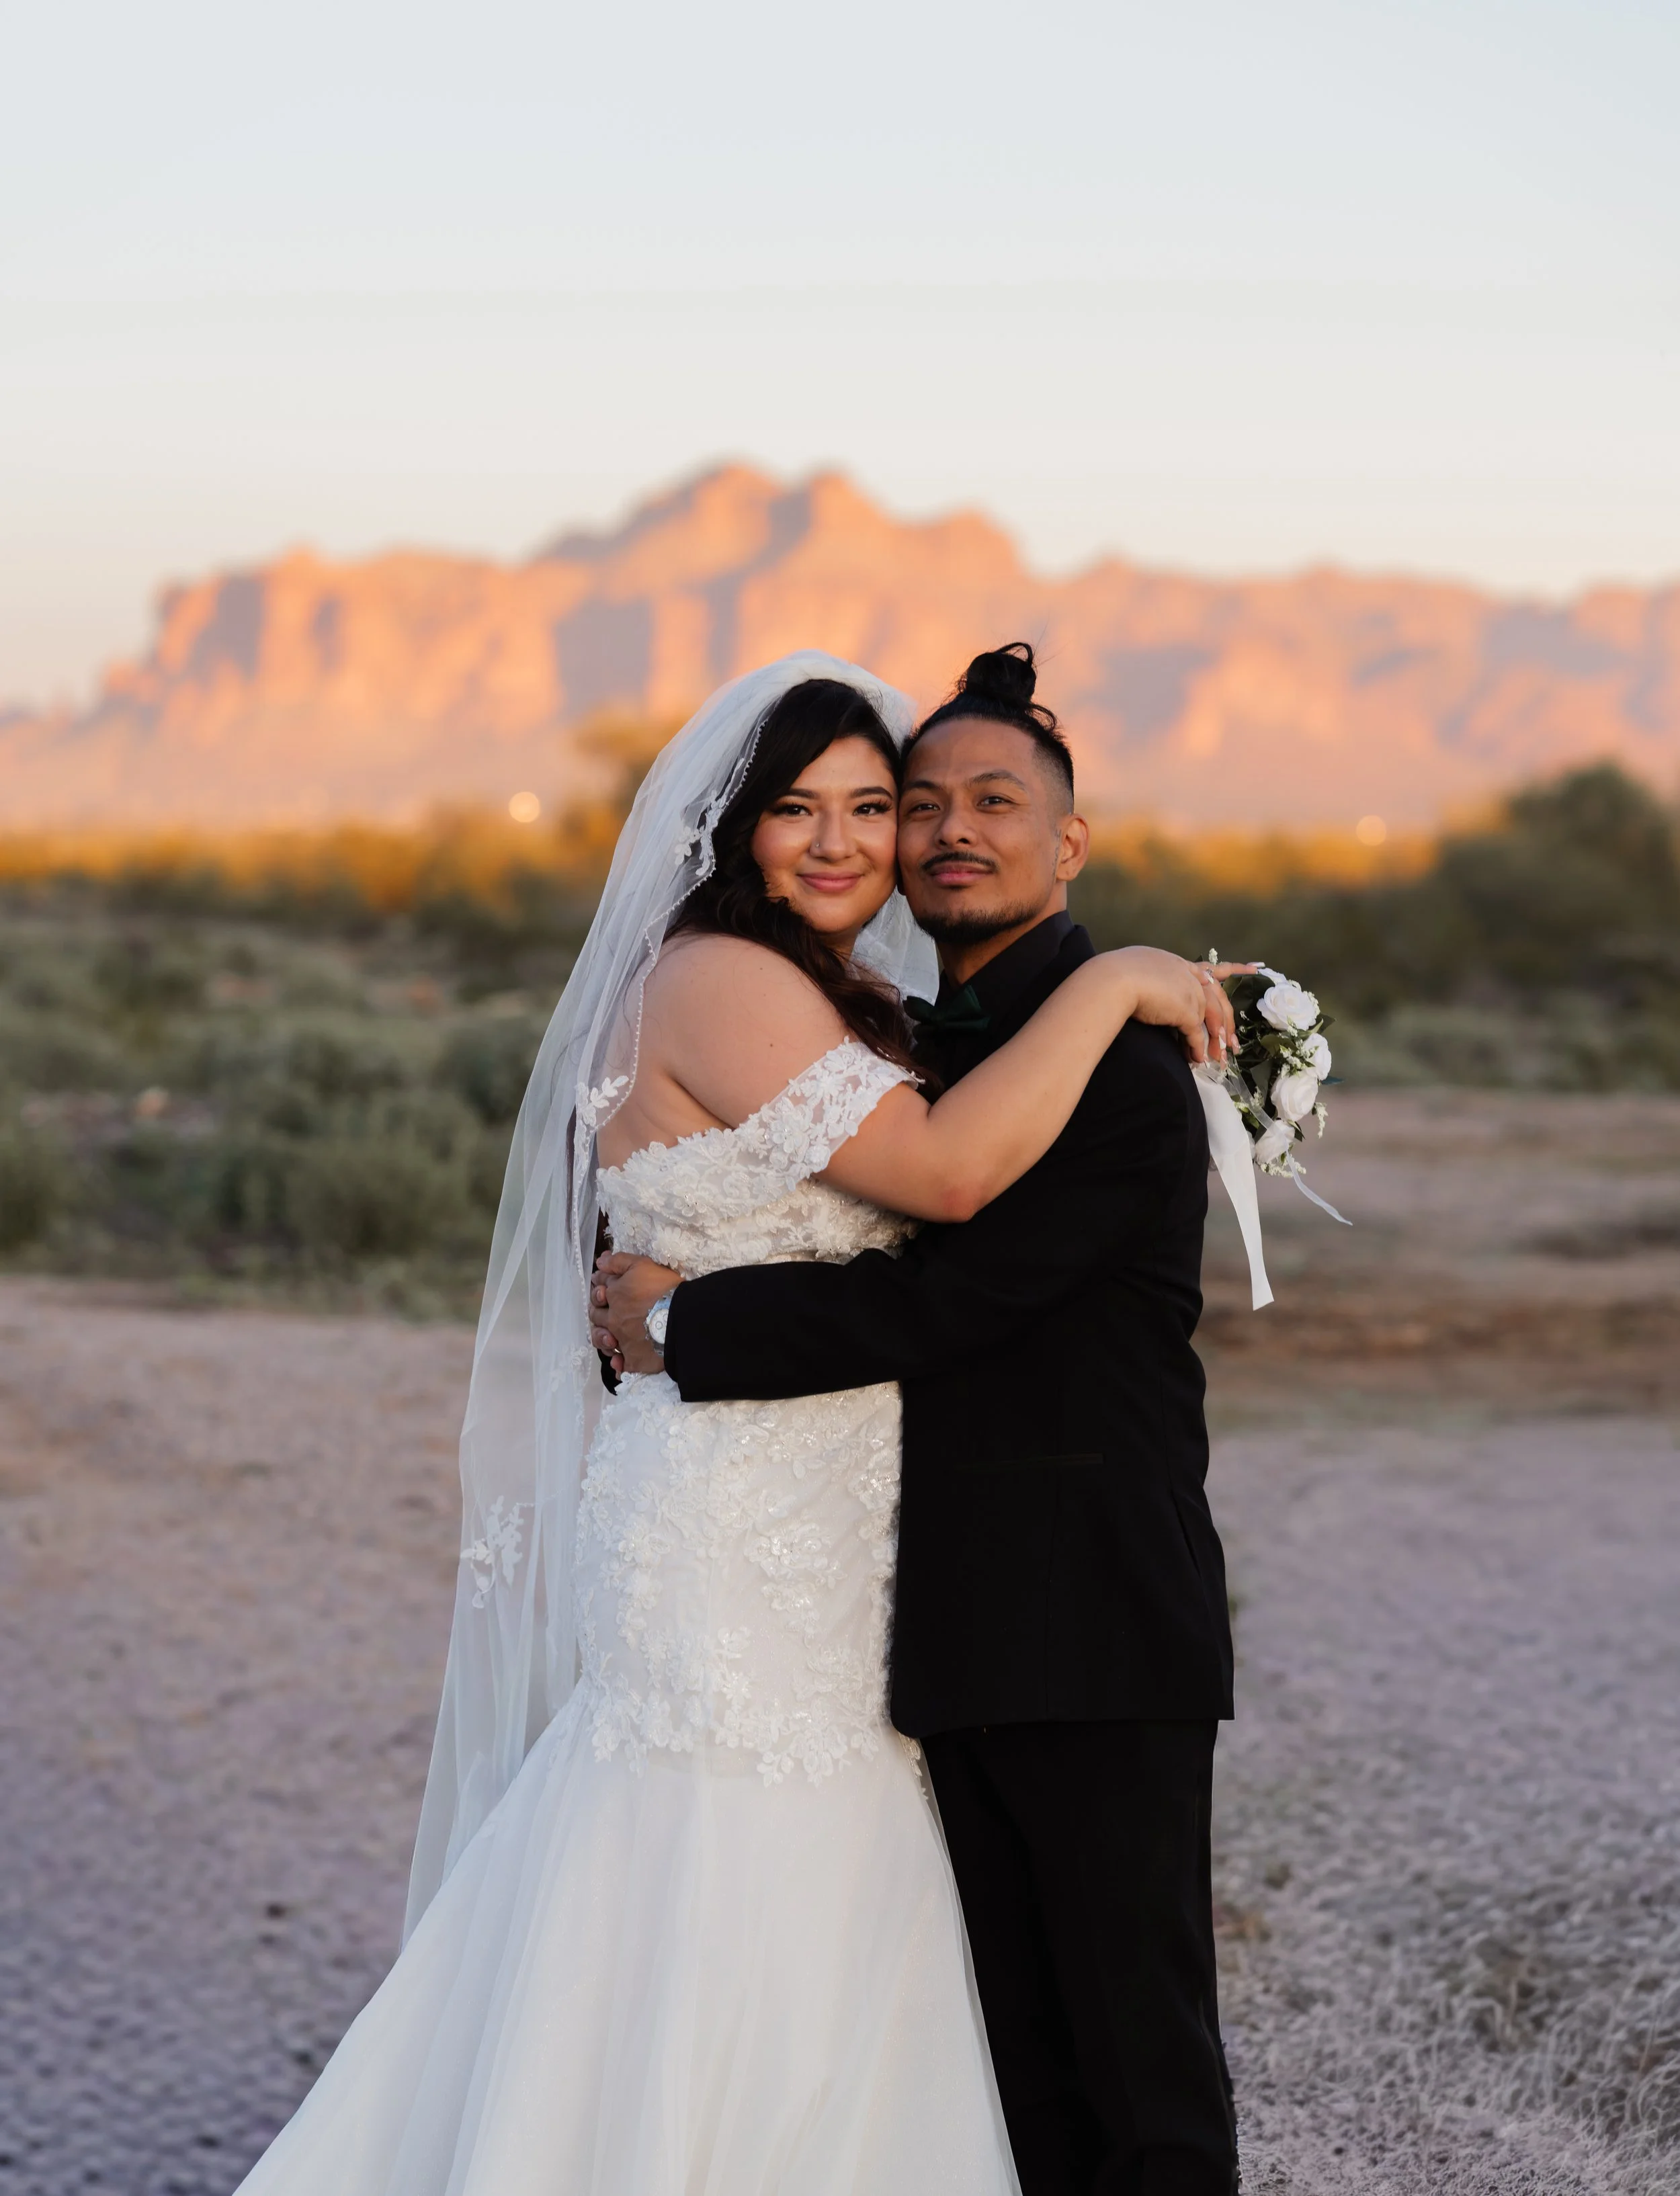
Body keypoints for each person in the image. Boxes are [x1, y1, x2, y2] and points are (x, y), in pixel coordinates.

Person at [230, 650, 1234, 2196]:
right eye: (800, 809)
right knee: (725, 1879)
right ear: (730, 827)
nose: (846, 842)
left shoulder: (887, 1009)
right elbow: (949, 1187)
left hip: (917, 1564)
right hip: (741, 1539)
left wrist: (679, 1313)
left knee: (977, 1976)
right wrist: (1110, 978)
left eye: (867, 808)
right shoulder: (729, 977)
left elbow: (938, 1258)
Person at [596, 644, 1243, 2196]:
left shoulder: (1115, 1065)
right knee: (998, 2069)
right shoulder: (881, 1032)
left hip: (1084, 1611)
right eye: (916, 802)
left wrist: (680, 1322)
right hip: (906, 1619)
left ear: (1066, 841)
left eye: (985, 801)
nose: (936, 829)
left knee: (1134, 2076)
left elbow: (946, 1294)